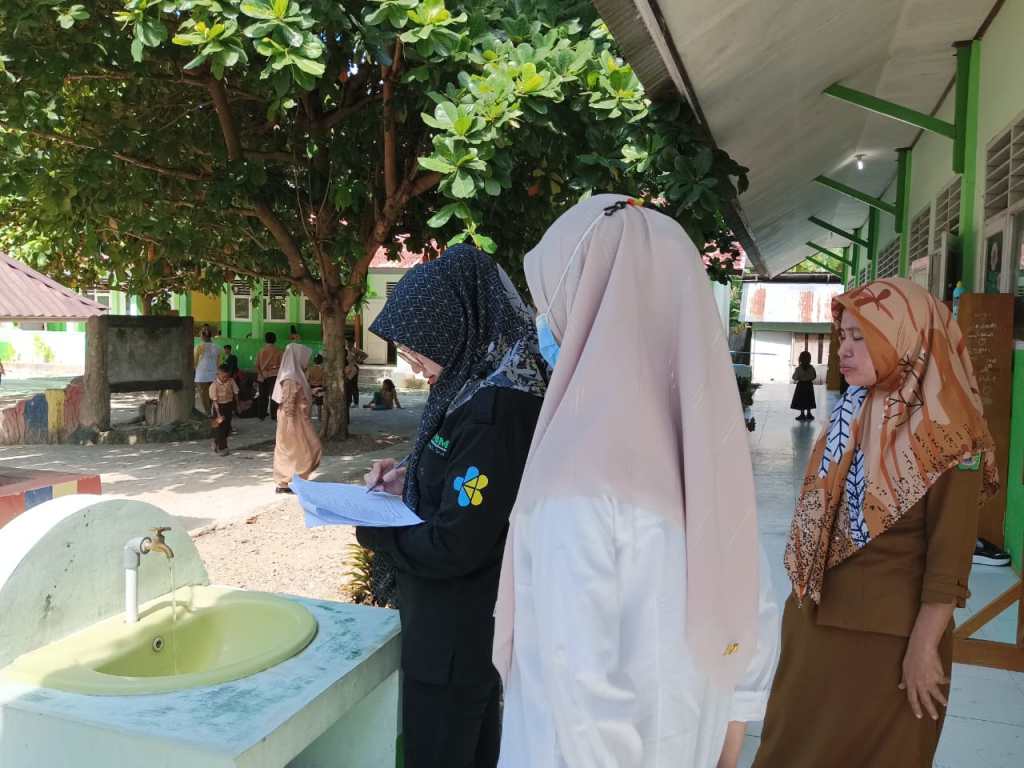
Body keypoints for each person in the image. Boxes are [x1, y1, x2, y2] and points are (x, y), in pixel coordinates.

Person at [493, 195, 779, 768]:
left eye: (551, 303)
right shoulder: (709, 463)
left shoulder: (572, 483)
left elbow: (581, 708)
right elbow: (753, 620)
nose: (546, 325)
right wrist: (726, 751)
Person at [752, 278, 999, 768]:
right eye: (843, 335)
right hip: (814, 625)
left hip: (888, 644)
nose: (844, 350)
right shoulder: (855, 412)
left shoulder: (950, 434)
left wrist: (924, 648)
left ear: (907, 338)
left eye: (862, 337)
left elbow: (949, 560)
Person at [354, 245, 546, 768]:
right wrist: (407, 480)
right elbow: (456, 476)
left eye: (418, 349)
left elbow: (456, 542)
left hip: (455, 636)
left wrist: (374, 528)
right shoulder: (473, 386)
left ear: (455, 327)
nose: (413, 365)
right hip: (458, 630)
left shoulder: (496, 408)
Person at [271, 343, 322, 494]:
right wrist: (290, 423)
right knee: (294, 449)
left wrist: (312, 392)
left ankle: (294, 479)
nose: (307, 361)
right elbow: (288, 401)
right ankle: (285, 482)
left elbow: (297, 395)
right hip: (292, 418)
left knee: (302, 448)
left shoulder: (295, 374)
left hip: (297, 417)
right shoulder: (290, 377)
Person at [209, 364, 239, 456]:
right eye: (223, 376)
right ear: (218, 374)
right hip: (218, 407)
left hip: (228, 405)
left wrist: (237, 405)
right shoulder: (214, 385)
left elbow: (236, 393)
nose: (225, 378)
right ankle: (222, 448)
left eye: (227, 376)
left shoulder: (231, 381)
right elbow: (214, 401)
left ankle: (216, 442)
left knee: (227, 427)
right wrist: (218, 414)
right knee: (219, 428)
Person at [256, 331, 284, 421]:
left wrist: (261, 374)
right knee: (274, 396)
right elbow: (282, 365)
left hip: (262, 375)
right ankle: (274, 415)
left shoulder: (261, 351)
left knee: (262, 396)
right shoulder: (279, 351)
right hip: (274, 375)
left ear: (265, 340)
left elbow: (257, 365)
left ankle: (261, 415)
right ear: (275, 340)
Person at [193, 326, 220, 416]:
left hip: (201, 375)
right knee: (212, 394)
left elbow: (194, 362)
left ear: (202, 336)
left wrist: (194, 371)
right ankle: (212, 411)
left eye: (200, 335)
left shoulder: (199, 347)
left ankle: (208, 413)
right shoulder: (217, 347)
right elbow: (219, 363)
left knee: (204, 394)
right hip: (214, 374)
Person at [790, 349, 817, 421]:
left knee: (801, 399)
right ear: (809, 359)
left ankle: (802, 414)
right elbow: (814, 376)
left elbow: (794, 377)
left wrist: (800, 377)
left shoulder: (798, 369)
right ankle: (809, 414)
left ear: (800, 359)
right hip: (809, 385)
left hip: (801, 386)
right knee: (809, 399)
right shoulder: (811, 368)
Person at [345, 341, 368, 407]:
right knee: (348, 386)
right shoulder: (344, 350)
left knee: (353, 386)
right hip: (347, 369)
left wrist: (358, 360)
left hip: (353, 369)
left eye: (350, 342)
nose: (349, 344)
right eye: (348, 342)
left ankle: (356, 402)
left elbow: (365, 355)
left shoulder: (354, 350)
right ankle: (349, 401)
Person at [307, 353, 326, 419]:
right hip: (320, 387)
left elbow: (307, 378)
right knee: (319, 404)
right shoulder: (323, 370)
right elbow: (324, 379)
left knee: (310, 403)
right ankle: (320, 417)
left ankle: (308, 417)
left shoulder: (310, 369)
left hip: (311, 386)